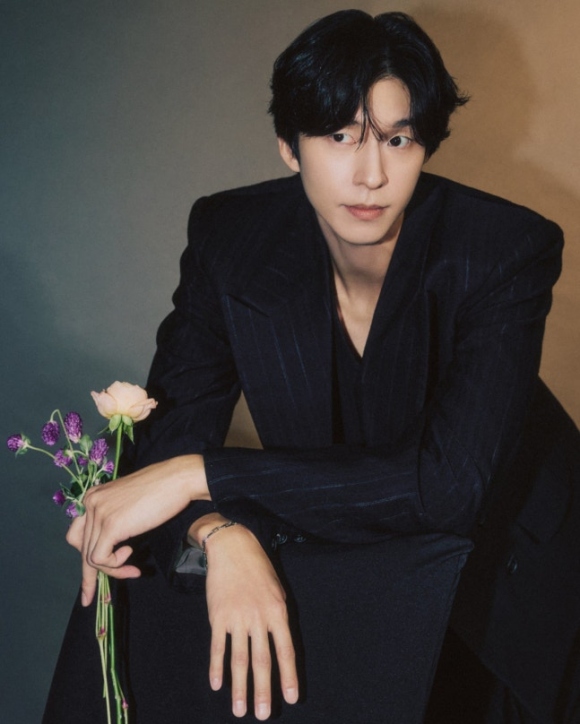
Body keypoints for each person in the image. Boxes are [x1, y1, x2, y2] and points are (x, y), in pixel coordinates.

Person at [43, 10, 580, 724]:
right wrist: (220, 531)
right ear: (289, 147)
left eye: (397, 139)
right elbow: (171, 431)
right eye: (339, 137)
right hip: (361, 557)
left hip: (507, 563)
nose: (371, 174)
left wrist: (199, 477)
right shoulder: (232, 238)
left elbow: (449, 487)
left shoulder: (503, 248)